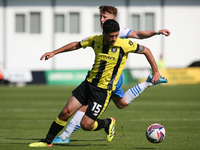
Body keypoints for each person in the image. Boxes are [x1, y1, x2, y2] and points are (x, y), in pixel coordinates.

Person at [29, 19, 164, 147]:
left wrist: (156, 72)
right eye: (111, 36)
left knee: (86, 125)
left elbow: (146, 50)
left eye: (116, 35)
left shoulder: (124, 44)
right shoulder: (95, 40)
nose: (114, 39)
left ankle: (107, 123)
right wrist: (54, 52)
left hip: (103, 92)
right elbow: (76, 44)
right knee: (66, 112)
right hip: (87, 85)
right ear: (104, 33)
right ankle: (47, 141)